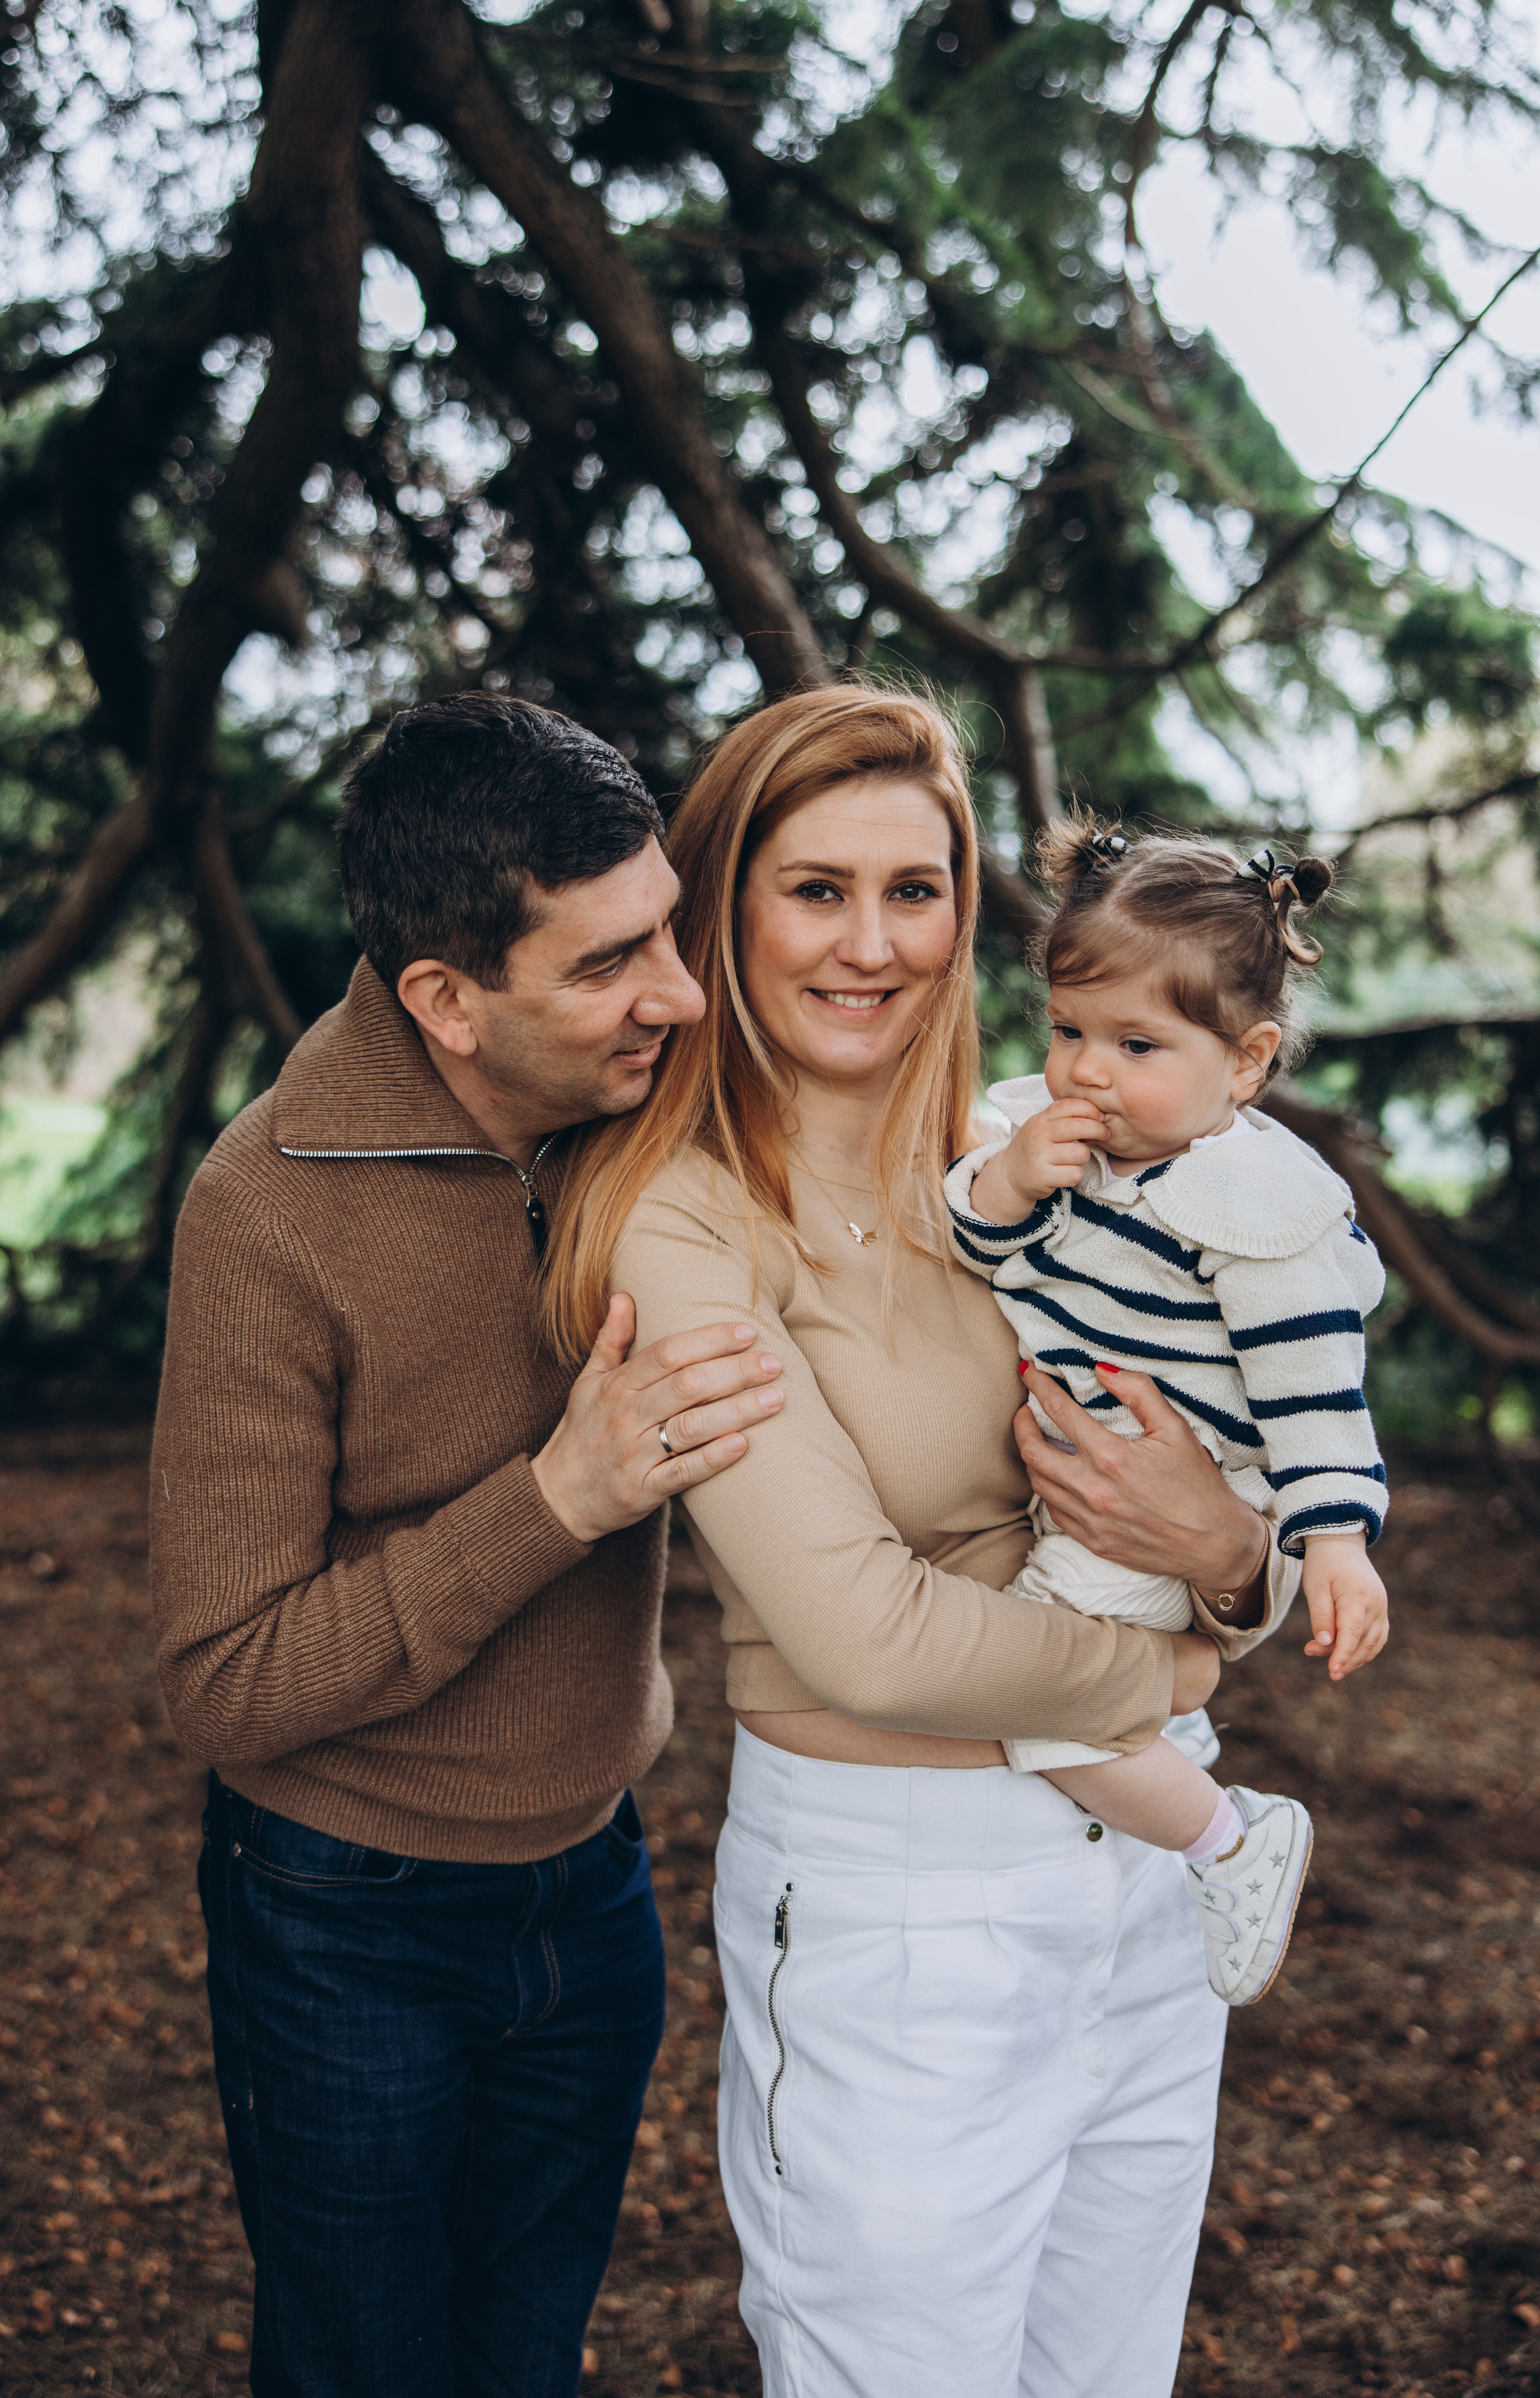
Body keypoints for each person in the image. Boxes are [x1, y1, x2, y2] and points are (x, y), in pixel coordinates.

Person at [544, 682, 1306, 2398]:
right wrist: (1185, 1656)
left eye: (916, 889)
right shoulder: (679, 1218)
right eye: (816, 889)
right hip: (902, 1909)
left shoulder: (1037, 1155)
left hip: (1151, 1869)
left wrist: (1231, 1554)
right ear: (725, 907)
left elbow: (1222, 1491)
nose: (872, 943)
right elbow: (865, 1636)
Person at [149, 694, 794, 2398]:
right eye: (608, 963)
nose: (678, 993)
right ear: (446, 999)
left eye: (668, 928)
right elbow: (221, 1677)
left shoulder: (646, 1112)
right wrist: (556, 1496)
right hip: (343, 1911)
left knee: (524, 2360)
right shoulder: (266, 1211)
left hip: (596, 1880)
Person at [945, 821, 1391, 2006]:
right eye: (1069, 1031)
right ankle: (1184, 1773)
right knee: (1068, 1693)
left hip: (1165, 1495)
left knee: (1045, 1711)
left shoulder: (1254, 1206)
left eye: (1137, 1043)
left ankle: (1231, 1842)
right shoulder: (1073, 1149)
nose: (1088, 1070)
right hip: (1089, 1486)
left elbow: (1316, 1393)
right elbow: (976, 1244)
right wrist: (1010, 1179)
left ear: (1245, 1063)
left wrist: (1336, 1542)